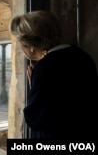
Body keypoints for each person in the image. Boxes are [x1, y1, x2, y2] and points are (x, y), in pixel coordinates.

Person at [9, 10, 98, 139]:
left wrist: (33, 85)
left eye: (20, 42)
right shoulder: (82, 56)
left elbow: (35, 119)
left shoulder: (44, 68)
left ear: (31, 46)